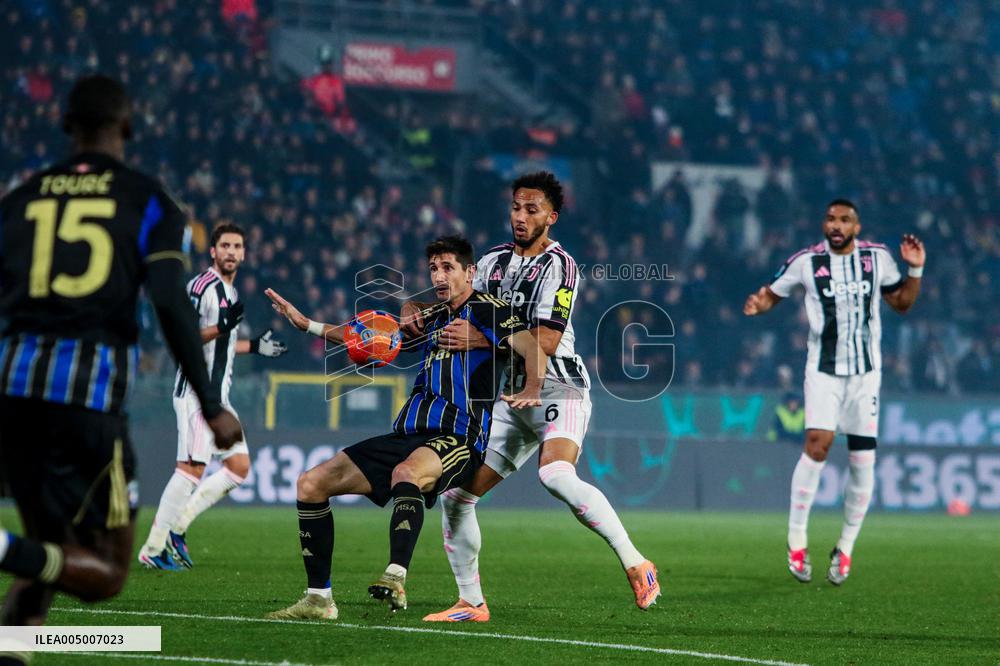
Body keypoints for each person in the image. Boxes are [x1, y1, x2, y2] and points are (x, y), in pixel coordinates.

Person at [0, 75, 242, 645]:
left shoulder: (19, 198)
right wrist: (211, 403)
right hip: (86, 399)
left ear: (66, 125)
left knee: (47, 561)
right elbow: (166, 301)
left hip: (11, 392)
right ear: (128, 126)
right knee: (106, 572)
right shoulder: (150, 201)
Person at [403, 172, 660, 622]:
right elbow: (454, 303)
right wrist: (414, 308)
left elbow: (543, 340)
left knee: (556, 475)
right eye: (516, 208)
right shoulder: (490, 262)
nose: (520, 217)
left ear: (551, 217)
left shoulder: (560, 266)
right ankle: (472, 603)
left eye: (532, 209)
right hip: (508, 396)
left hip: (558, 386)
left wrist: (481, 343)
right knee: (457, 496)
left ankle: (638, 563)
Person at [264, 235, 545, 620]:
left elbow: (533, 348)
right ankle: (318, 600)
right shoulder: (432, 317)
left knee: (407, 473)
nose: (439, 275)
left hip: (458, 436)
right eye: (433, 268)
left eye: (448, 267)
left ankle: (396, 576)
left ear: (471, 272)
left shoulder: (490, 310)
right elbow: (371, 336)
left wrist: (529, 390)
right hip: (408, 433)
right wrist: (307, 324)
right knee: (311, 483)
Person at [744, 199, 924, 585]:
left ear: (857, 227)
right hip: (823, 370)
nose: (837, 225)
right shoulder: (806, 261)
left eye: (845, 220)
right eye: (830, 218)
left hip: (865, 376)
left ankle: (844, 549)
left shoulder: (878, 259)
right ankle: (796, 542)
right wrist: (759, 304)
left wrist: (916, 268)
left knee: (863, 463)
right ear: (823, 225)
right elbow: (772, 292)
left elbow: (903, 303)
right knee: (817, 443)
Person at [138, 222, 287, 570]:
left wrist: (254, 347)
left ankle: (178, 527)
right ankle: (152, 548)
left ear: (244, 253)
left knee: (237, 468)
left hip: (219, 397)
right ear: (213, 251)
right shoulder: (202, 286)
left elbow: (224, 344)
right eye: (225, 246)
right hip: (194, 392)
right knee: (190, 470)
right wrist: (221, 327)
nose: (231, 252)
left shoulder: (231, 294)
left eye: (237, 246)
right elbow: (183, 335)